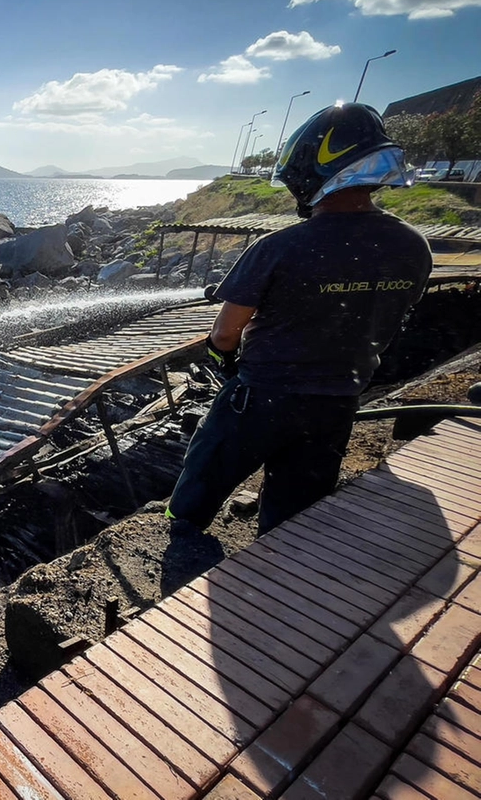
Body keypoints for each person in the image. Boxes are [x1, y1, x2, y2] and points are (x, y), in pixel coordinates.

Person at [167, 102, 432, 536]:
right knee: (293, 514)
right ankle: (279, 577)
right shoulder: (413, 246)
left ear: (309, 176)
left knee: (199, 488)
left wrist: (225, 360)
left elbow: (225, 331)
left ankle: (182, 550)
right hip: (338, 401)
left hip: (261, 399)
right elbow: (392, 317)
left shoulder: (281, 246)